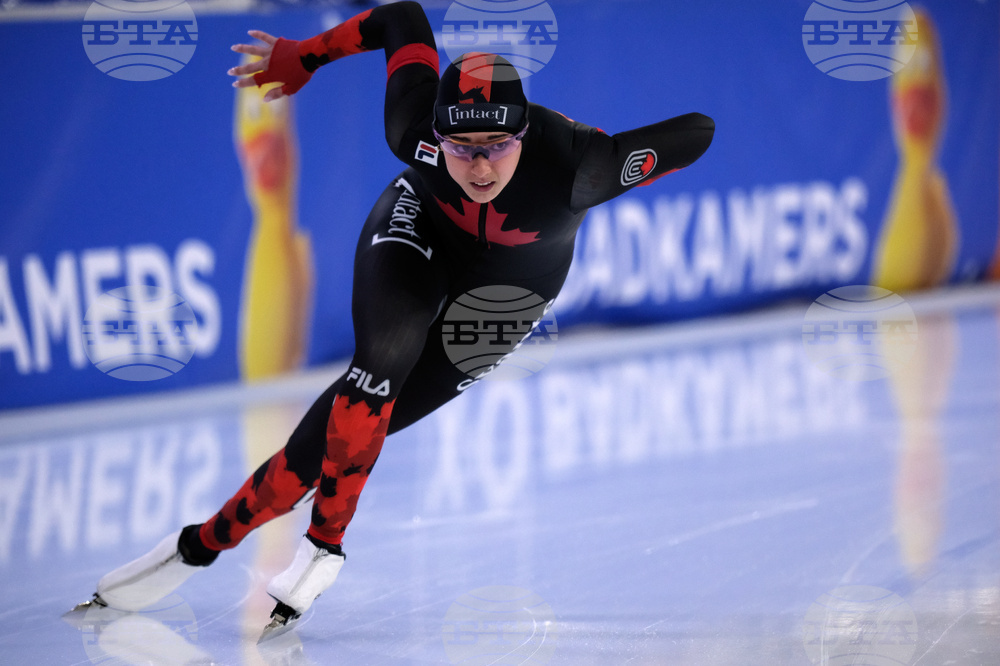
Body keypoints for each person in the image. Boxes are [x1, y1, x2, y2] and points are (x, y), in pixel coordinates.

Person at [71, 0, 714, 640]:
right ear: (435, 134)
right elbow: (401, 17)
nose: (480, 167)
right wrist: (304, 57)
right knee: (380, 362)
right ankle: (321, 547)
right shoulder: (410, 125)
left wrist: (630, 164)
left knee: (321, 447)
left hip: (505, 297)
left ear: (523, 135)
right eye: (461, 148)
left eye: (497, 146)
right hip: (419, 231)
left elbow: (698, 130)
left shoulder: (580, 167)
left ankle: (200, 543)